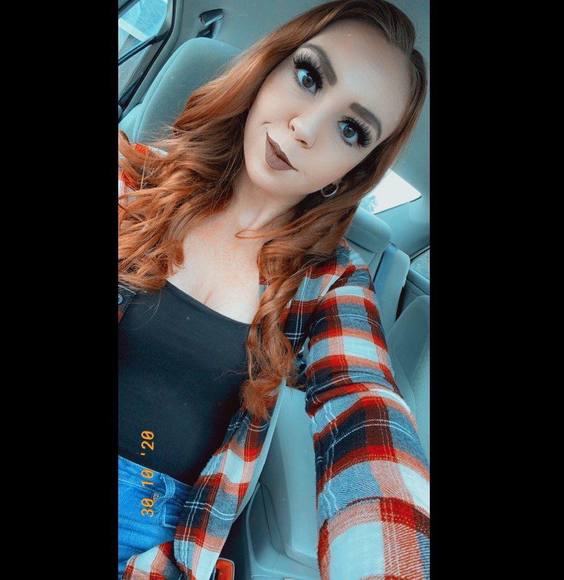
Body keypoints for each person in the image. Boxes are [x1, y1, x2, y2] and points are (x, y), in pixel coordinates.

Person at [118, 0, 429, 578]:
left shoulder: (330, 283)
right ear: (269, 67)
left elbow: (366, 412)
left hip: (147, 534)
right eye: (308, 76)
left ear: (355, 170)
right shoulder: (134, 179)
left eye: (350, 129)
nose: (305, 129)